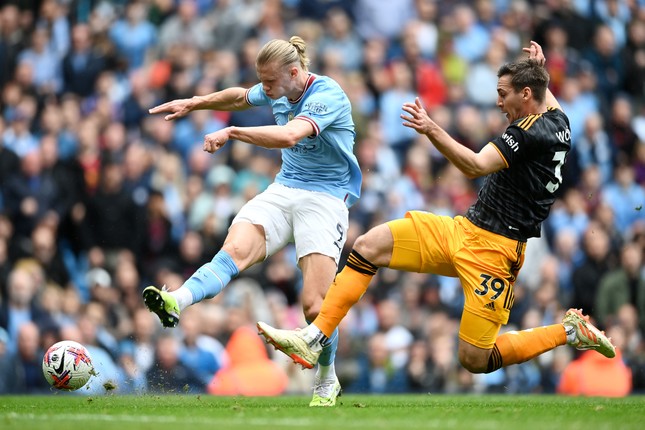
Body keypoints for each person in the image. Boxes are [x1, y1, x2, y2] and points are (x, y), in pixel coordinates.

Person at [257, 41, 616, 379]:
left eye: (503, 95)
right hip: (463, 229)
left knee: (475, 359)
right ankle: (314, 337)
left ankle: (569, 330)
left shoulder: (526, 133)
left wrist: (431, 129)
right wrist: (540, 70)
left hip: (495, 253)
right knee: (369, 246)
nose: (498, 103)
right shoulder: (559, 119)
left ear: (525, 94)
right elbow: (544, 95)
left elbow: (475, 165)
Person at [143, 36, 361, 407]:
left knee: (314, 306)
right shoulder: (276, 87)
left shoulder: (328, 94)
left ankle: (327, 377)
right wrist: (196, 103)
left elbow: (291, 135)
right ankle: (176, 300)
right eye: (263, 81)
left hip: (325, 198)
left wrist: (233, 132)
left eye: (271, 82)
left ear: (295, 72)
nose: (266, 89)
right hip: (285, 188)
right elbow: (240, 96)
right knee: (234, 250)